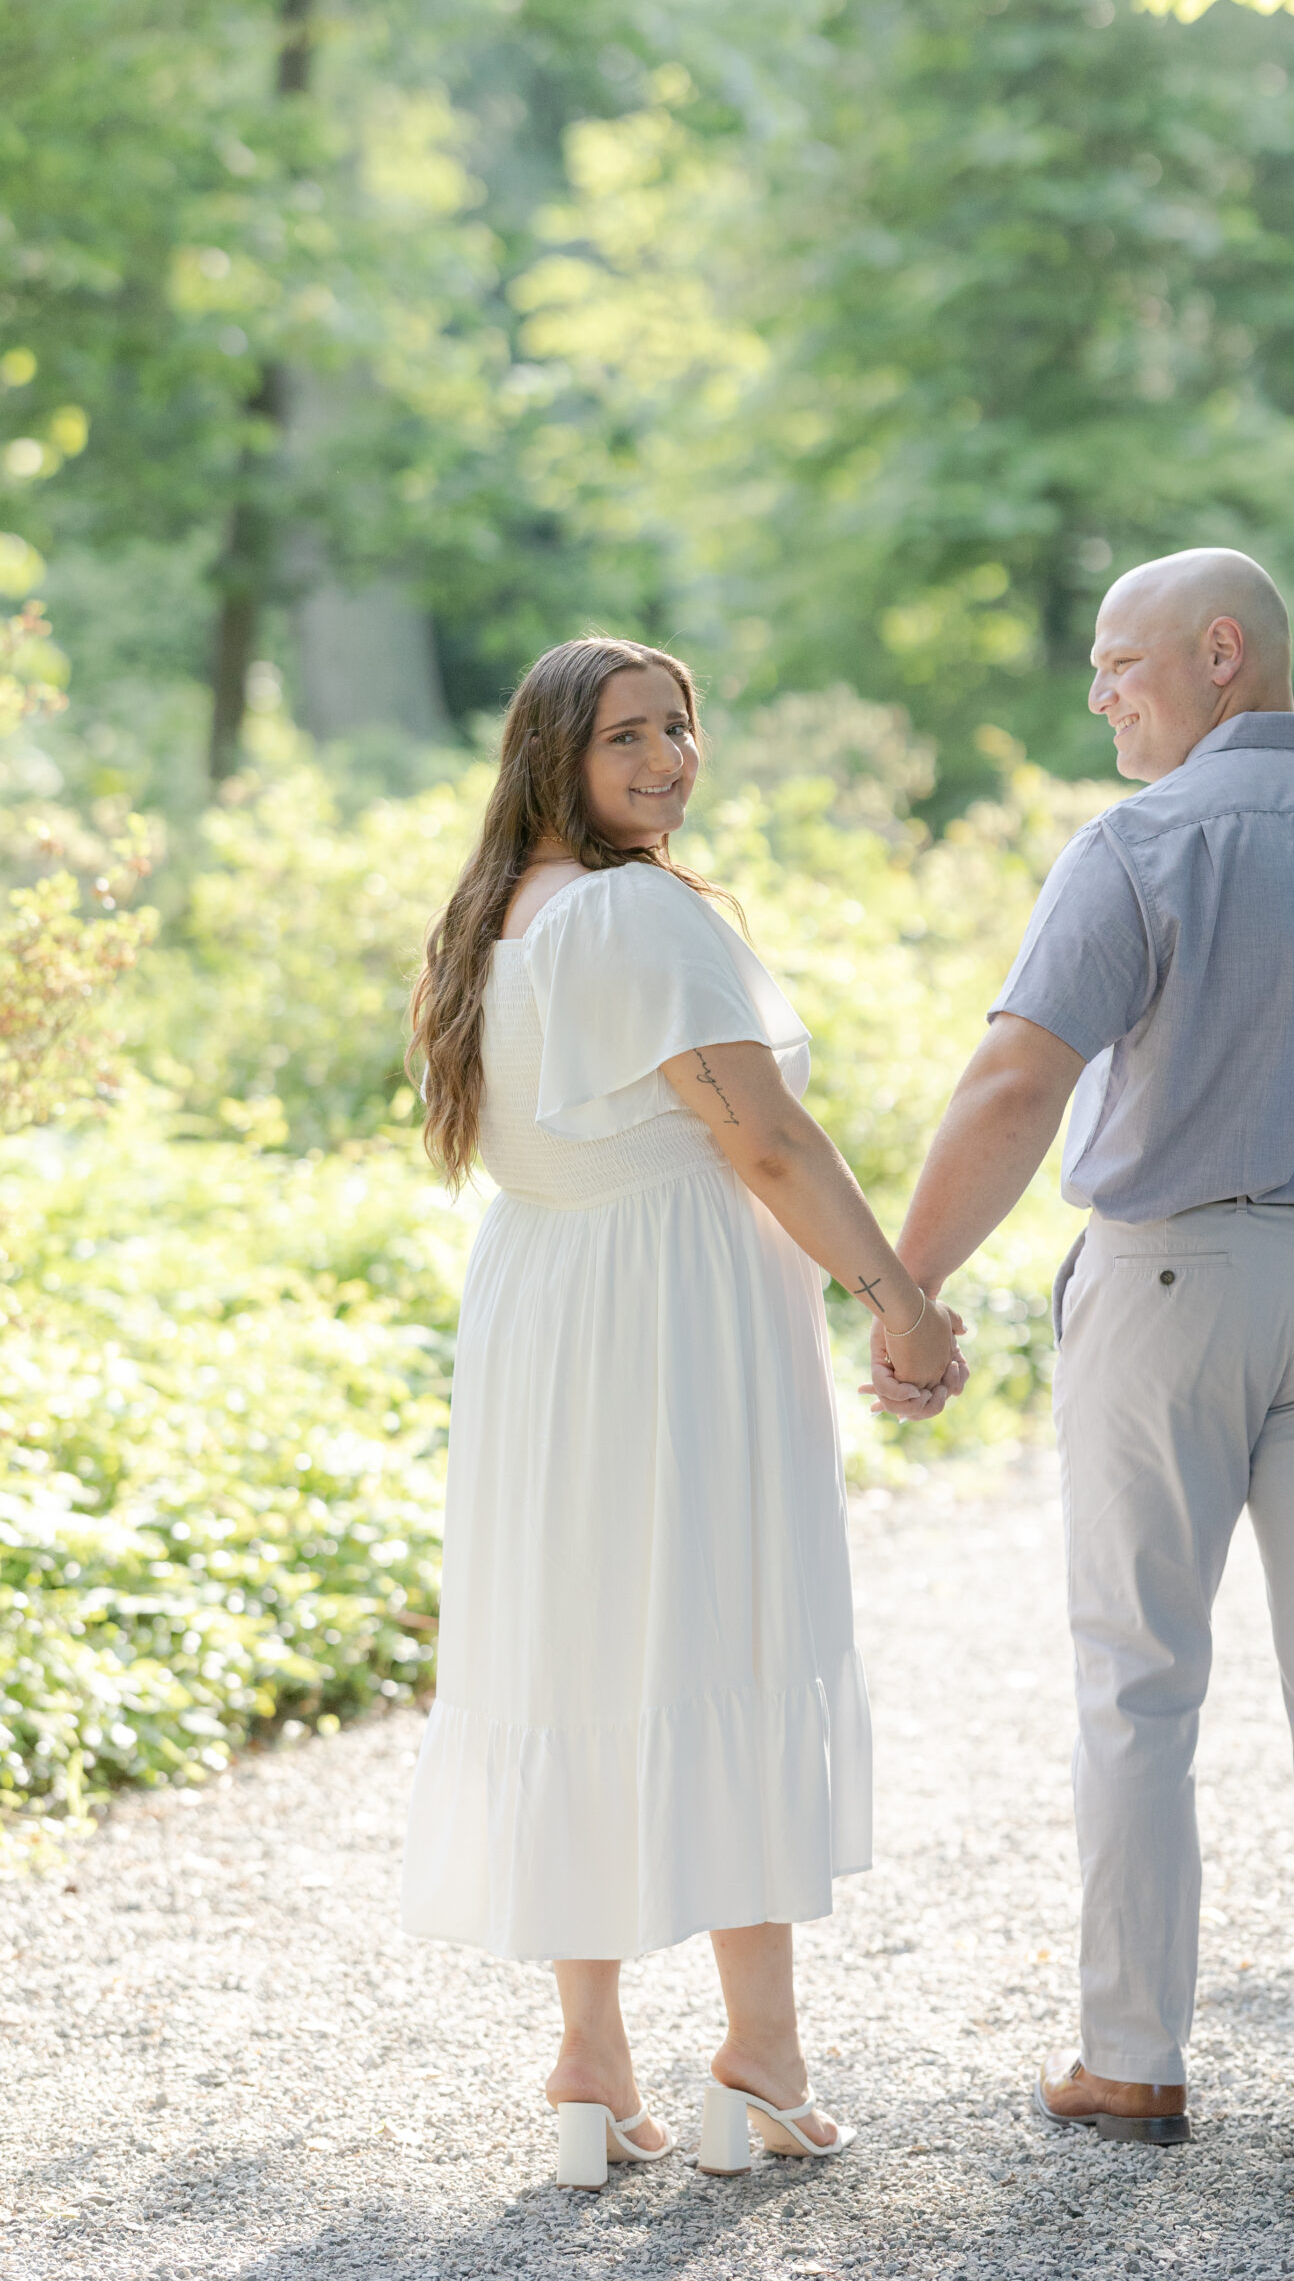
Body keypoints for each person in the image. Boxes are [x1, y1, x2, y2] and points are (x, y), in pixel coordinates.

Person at [868, 548, 1294, 2144]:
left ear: (1221, 652)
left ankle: (1131, 2060)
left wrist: (906, 1293)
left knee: (1140, 1678)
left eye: (1120, 663)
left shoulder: (1145, 842)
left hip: (1169, 1285)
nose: (1098, 695)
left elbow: (1013, 1085)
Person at [401, 635, 964, 2189]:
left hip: (547, 1311)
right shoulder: (642, 911)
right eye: (625, 740)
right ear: (553, 761)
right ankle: (760, 2063)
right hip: (670, 1317)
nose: (663, 762)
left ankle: (592, 2067)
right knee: (730, 1632)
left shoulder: (496, 916)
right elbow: (766, 1140)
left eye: (678, 729)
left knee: (578, 1647)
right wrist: (900, 1301)